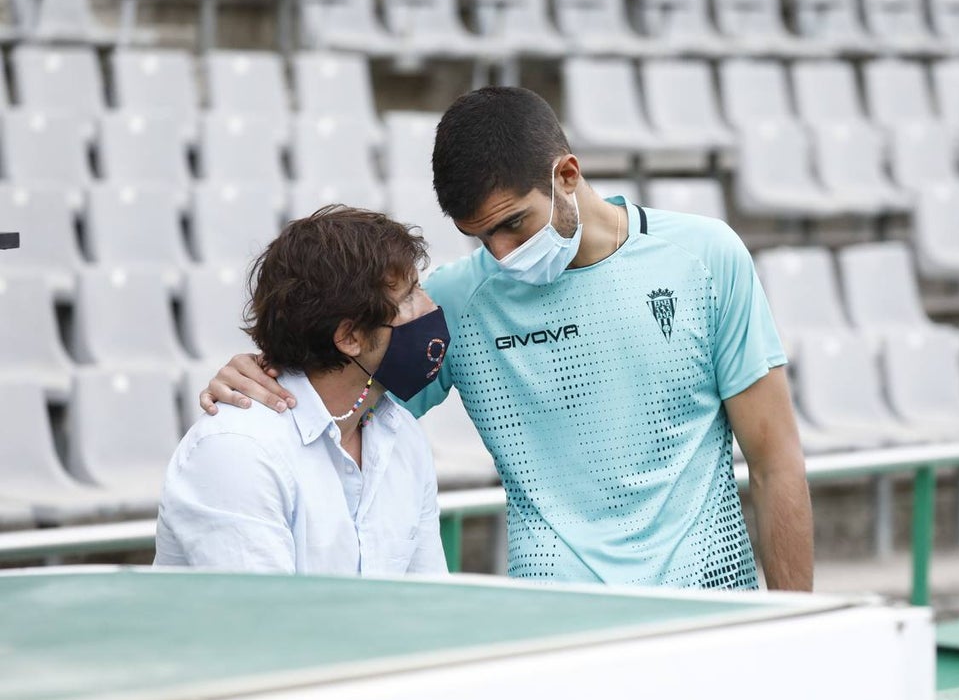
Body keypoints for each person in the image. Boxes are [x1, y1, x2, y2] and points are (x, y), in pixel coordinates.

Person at [201, 87, 813, 591]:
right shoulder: (458, 300)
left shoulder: (705, 256)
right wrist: (261, 374)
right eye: (480, 237)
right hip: (554, 620)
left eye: (513, 225)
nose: (502, 254)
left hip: (709, 601)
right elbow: (341, 393)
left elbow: (775, 460)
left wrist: (801, 631)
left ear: (566, 175)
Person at [155, 206, 448, 576]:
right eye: (408, 298)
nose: (430, 307)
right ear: (349, 337)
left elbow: (427, 606)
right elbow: (266, 625)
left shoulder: (402, 434)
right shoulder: (238, 450)